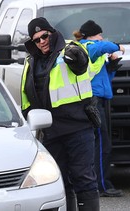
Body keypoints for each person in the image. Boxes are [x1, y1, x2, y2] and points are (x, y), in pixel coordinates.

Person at [21, 17, 99, 210]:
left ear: (52, 32)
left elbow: (82, 63)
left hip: (78, 127)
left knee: (83, 178)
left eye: (44, 36)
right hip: (51, 132)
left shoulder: (70, 50)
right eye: (36, 40)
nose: (41, 42)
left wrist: (76, 56)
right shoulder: (31, 61)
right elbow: (25, 96)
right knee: (59, 182)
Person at [73, 20, 125, 197]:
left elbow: (105, 77)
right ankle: (102, 186)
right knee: (102, 144)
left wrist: (111, 66)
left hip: (100, 98)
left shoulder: (95, 50)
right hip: (93, 100)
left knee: (98, 143)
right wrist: (117, 46)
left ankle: (98, 183)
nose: (102, 37)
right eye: (99, 34)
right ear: (90, 35)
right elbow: (104, 45)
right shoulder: (88, 46)